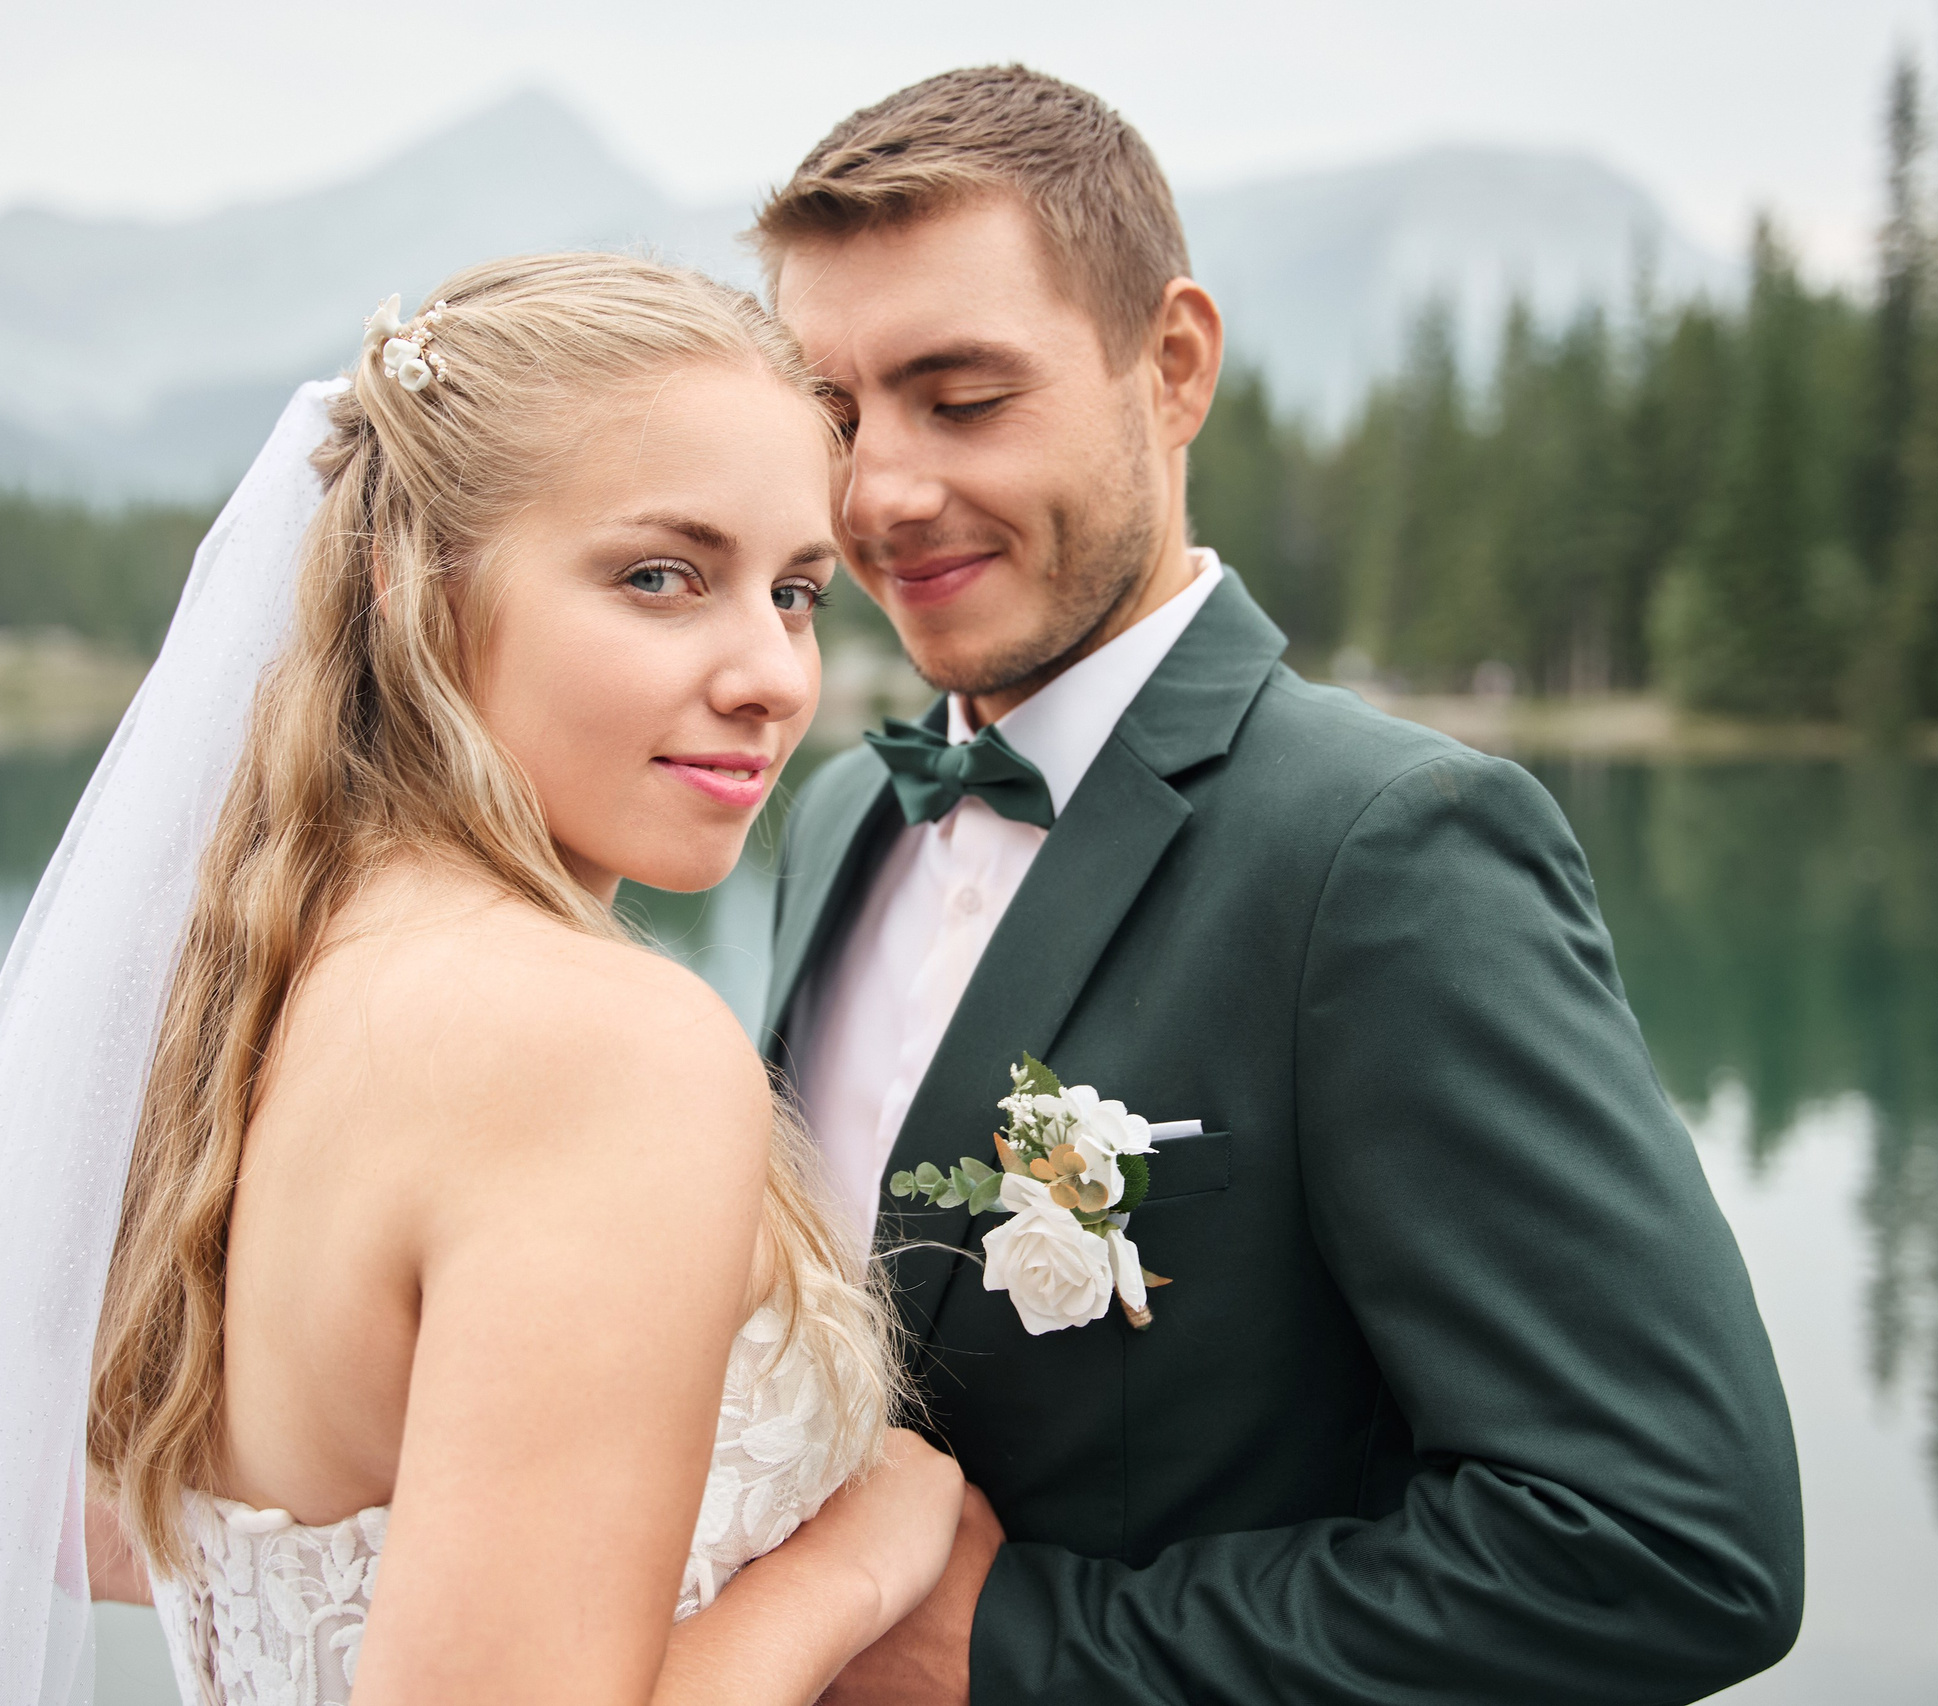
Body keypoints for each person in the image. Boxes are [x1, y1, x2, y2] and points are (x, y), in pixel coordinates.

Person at [0, 254, 962, 1706]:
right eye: (661, 576)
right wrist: (856, 1564)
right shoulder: (603, 1047)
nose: (771, 671)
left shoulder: (244, 986)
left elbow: (88, 1509)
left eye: (795, 592)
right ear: (412, 586)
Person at [756, 66, 1806, 1704]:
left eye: (962, 399)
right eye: (832, 414)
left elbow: (1667, 1539)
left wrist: (1034, 1648)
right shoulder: (836, 819)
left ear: (1172, 366)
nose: (879, 492)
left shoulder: (1392, 849)